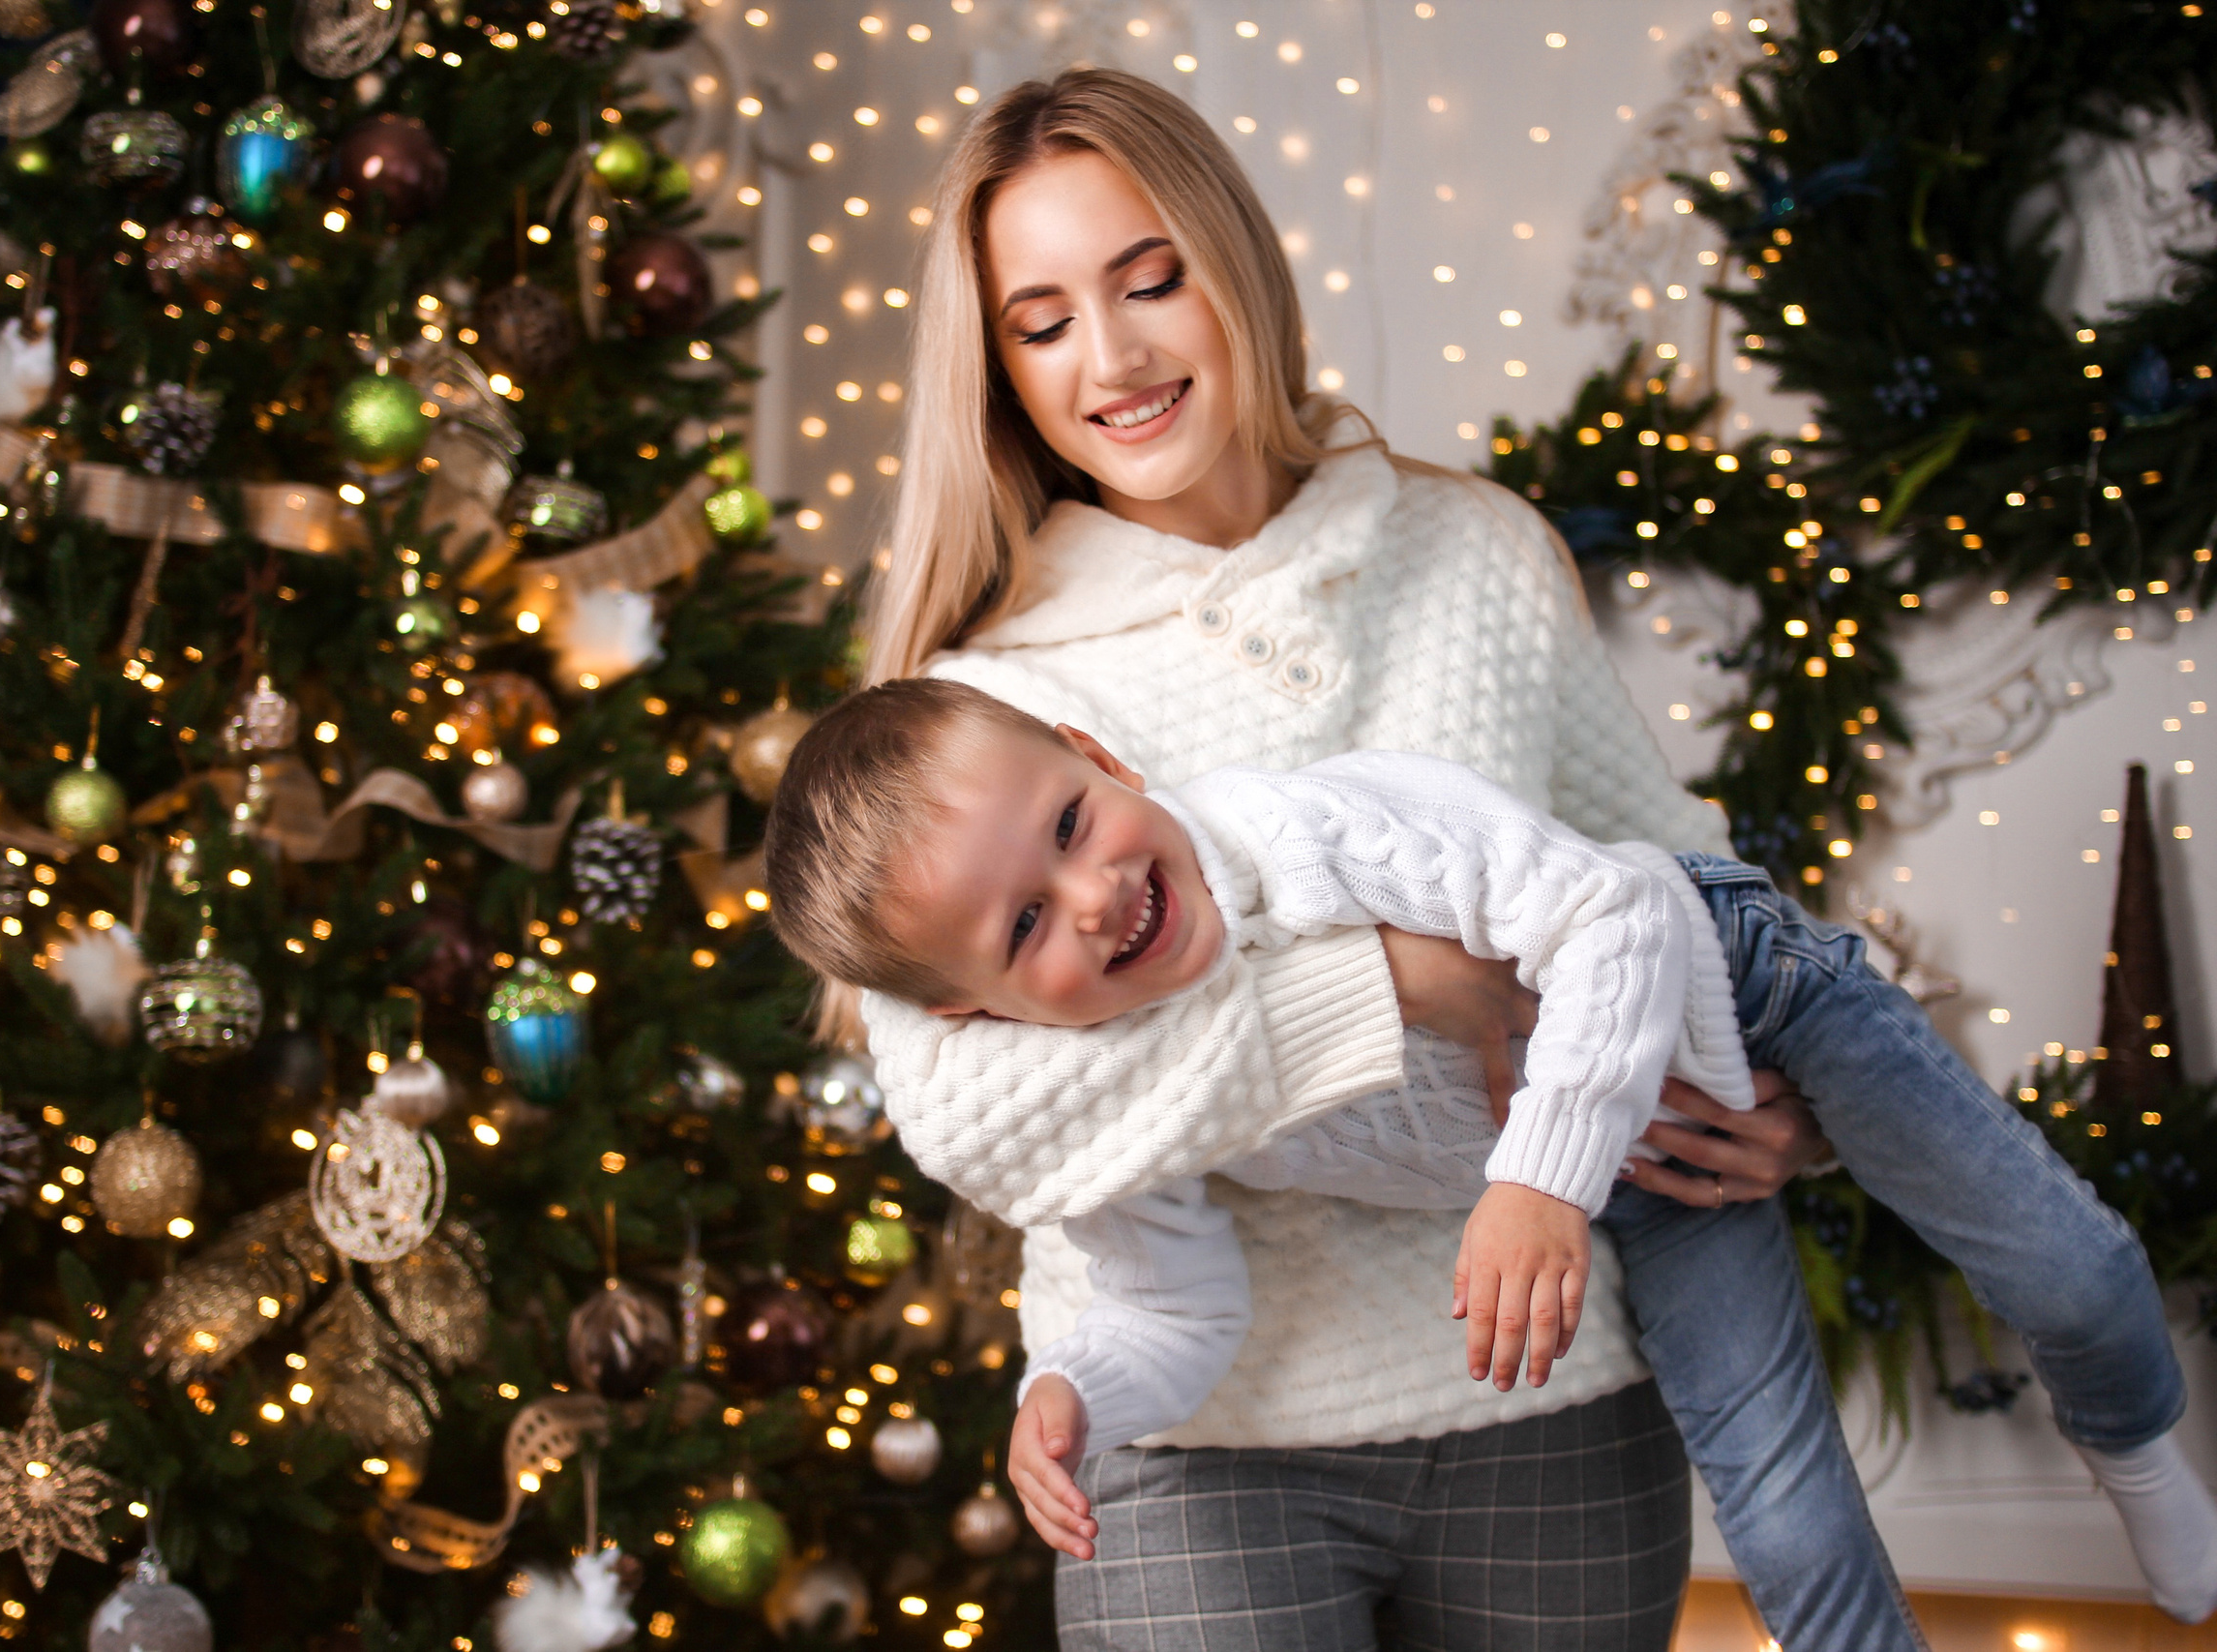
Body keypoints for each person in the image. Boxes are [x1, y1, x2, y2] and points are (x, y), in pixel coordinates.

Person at [846, 63, 1824, 1652]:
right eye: (1041, 324)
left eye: (1150, 279)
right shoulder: (984, 701)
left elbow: (1682, 885)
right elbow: (991, 1114)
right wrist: (1398, 986)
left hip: (1552, 1397)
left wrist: (1796, 1109)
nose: (1113, 357)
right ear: (1000, 373)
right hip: (1193, 1444)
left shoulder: (1477, 553)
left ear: (1236, 261)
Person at [767, 677, 2217, 1642]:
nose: (1095, 898)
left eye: (1075, 825)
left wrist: (1534, 1184)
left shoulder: (1316, 830)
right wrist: (1076, 1385)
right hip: (1630, 1169)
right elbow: (1173, 1305)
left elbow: (1616, 925)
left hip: (1738, 986)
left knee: (2076, 1273)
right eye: (1023, 928)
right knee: (1785, 1521)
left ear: (1099, 758)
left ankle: (2141, 1464)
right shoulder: (1126, 1098)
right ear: (974, 1012)